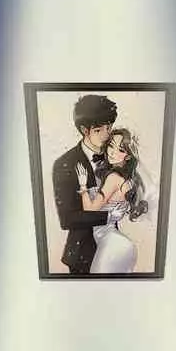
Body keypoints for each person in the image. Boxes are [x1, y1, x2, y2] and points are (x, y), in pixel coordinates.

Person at [52, 94, 118, 274]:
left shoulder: (115, 155)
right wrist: (109, 216)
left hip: (113, 249)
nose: (106, 135)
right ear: (84, 130)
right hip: (83, 254)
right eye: (98, 130)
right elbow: (67, 219)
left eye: (109, 127)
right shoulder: (65, 164)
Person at [75, 128, 148, 273]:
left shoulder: (113, 178)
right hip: (121, 245)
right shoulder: (128, 180)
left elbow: (90, 210)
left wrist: (83, 186)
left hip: (113, 244)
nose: (112, 152)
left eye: (120, 150)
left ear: (128, 156)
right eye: (111, 146)